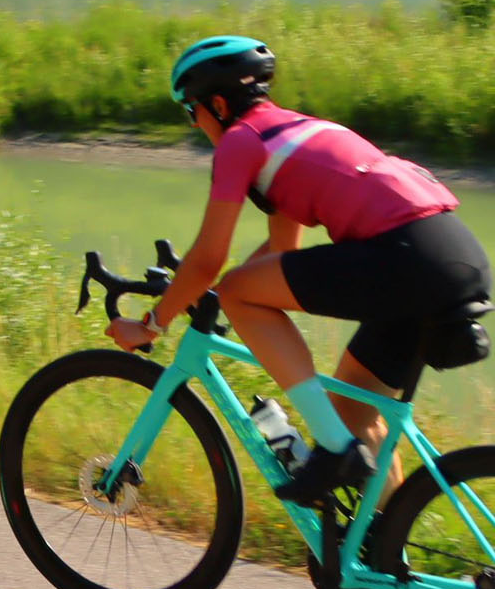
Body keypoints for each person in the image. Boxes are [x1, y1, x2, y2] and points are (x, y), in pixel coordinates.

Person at [109, 36, 489, 505]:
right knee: (356, 408)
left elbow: (209, 261)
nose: (195, 124)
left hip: (404, 258)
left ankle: (334, 452)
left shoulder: (240, 141)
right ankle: (384, 561)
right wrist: (200, 293)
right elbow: (280, 254)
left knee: (237, 292)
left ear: (219, 103)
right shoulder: (296, 131)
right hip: (453, 252)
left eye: (192, 111)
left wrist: (152, 324)